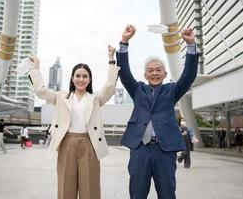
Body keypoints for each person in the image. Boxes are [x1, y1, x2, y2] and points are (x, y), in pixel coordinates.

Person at [116, 25, 198, 199]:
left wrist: (191, 45)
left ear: (164, 73)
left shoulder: (172, 90)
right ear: (145, 75)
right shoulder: (137, 89)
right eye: (150, 71)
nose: (154, 73)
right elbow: (124, 73)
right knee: (137, 194)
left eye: (158, 70)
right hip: (140, 150)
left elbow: (189, 75)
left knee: (167, 194)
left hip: (165, 150)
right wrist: (124, 42)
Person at [28, 45, 119, 199]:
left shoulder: (95, 99)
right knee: (66, 190)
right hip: (67, 143)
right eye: (78, 75)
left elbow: (110, 87)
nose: (81, 79)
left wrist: (111, 60)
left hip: (89, 144)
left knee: (90, 190)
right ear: (72, 78)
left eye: (85, 76)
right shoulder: (61, 97)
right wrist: (36, 68)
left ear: (89, 79)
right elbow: (41, 90)